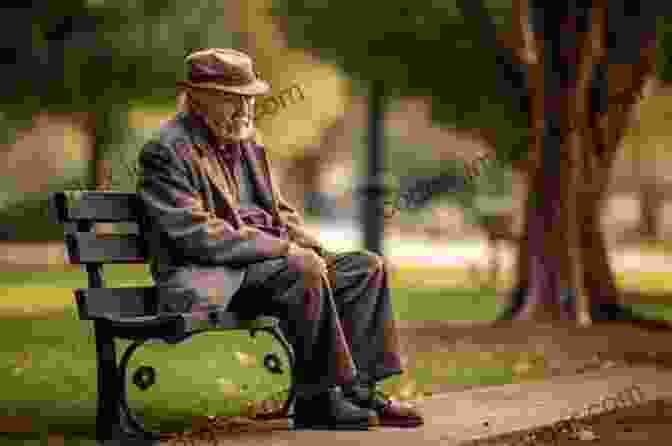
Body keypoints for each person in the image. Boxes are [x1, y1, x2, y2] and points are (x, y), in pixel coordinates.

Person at [136, 48, 424, 430]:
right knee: (300, 267)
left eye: (249, 99)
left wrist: (311, 245)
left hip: (277, 268)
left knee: (365, 267)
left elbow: (279, 211)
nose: (245, 110)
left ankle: (359, 390)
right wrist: (286, 249)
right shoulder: (167, 150)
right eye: (234, 101)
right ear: (199, 98)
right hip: (218, 276)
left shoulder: (246, 139)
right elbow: (196, 235)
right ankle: (317, 399)